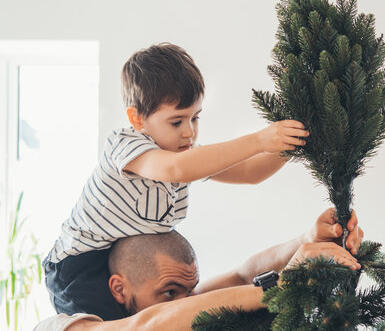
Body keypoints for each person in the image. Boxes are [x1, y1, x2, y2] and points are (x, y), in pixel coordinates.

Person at [43, 42, 310, 321]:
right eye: (176, 122)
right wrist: (258, 140)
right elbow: (175, 170)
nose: (189, 133)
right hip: (78, 267)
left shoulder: (184, 156)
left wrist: (293, 143)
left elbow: (250, 173)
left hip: (121, 260)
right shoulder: (126, 146)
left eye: (195, 118)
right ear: (137, 119)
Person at [35, 207, 364, 331]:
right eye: (168, 292)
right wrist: (278, 291)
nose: (184, 302)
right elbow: (145, 326)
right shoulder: (64, 327)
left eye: (187, 291)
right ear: (120, 289)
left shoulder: (177, 304)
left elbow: (240, 276)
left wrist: (309, 239)